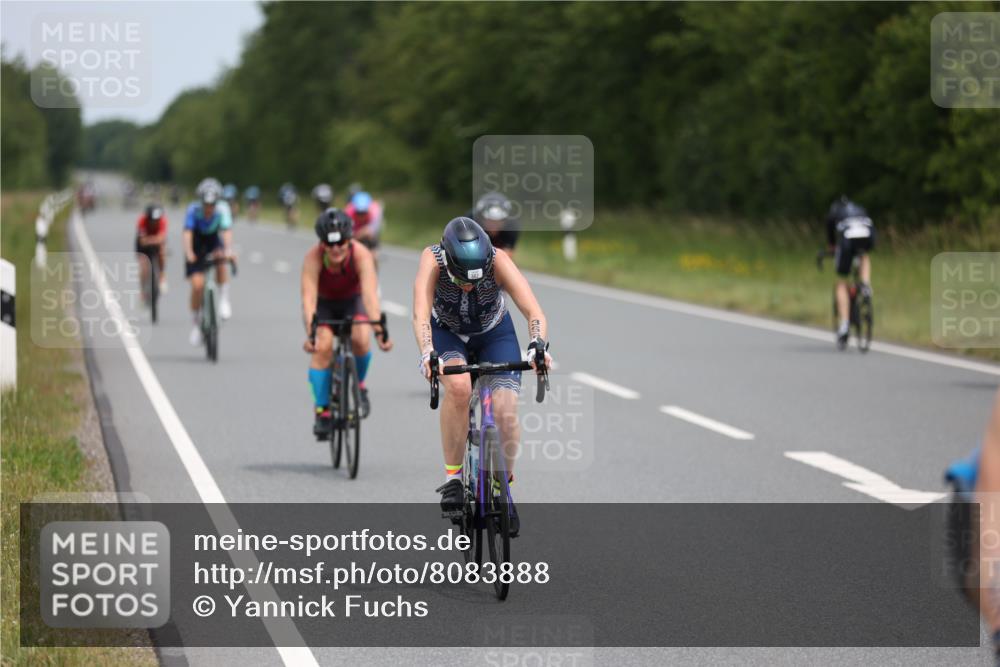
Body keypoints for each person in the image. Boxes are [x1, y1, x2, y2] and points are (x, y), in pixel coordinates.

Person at [412, 217, 551, 536]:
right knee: (459, 389)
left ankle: (505, 487)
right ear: (448, 259)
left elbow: (534, 311)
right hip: (447, 333)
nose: (469, 285)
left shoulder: (498, 259)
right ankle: (452, 479)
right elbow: (420, 312)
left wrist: (536, 345)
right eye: (462, 279)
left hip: (493, 333)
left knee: (505, 411)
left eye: (475, 278)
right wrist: (427, 352)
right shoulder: (432, 258)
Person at [302, 208, 392, 437]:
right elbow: (309, 298)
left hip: (353, 301)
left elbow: (371, 295)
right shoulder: (313, 257)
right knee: (322, 347)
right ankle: (322, 410)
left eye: (341, 242)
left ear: (349, 239)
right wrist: (311, 334)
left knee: (361, 338)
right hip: (324, 304)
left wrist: (380, 331)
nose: (335, 248)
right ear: (322, 243)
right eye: (329, 243)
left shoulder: (361, 255)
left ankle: (359, 386)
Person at [184, 179, 235, 345]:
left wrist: (228, 250)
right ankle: (196, 324)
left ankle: (224, 299)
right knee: (197, 286)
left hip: (213, 242)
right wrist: (189, 253)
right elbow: (188, 233)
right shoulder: (193, 210)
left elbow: (226, 231)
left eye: (212, 204)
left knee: (221, 260)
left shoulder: (222, 209)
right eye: (206, 203)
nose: (209, 208)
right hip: (197, 245)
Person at [825, 195, 875, 347]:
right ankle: (865, 284)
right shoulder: (860, 208)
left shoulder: (834, 212)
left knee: (841, 282)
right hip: (867, 233)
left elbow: (831, 238)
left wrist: (833, 247)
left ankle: (845, 324)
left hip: (847, 238)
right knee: (864, 255)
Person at [468, 191, 520, 260]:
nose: (493, 225)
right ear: (481, 218)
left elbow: (507, 256)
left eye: (498, 221)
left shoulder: (512, 226)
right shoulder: (470, 222)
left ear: (505, 220)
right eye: (490, 221)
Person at [135, 204, 168, 296]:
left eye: (156, 221)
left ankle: (162, 275)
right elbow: (142, 241)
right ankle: (142, 291)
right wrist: (155, 239)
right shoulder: (142, 221)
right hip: (143, 246)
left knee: (162, 252)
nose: (154, 223)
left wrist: (150, 240)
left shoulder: (163, 221)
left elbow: (162, 238)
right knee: (143, 266)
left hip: (155, 242)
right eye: (152, 221)